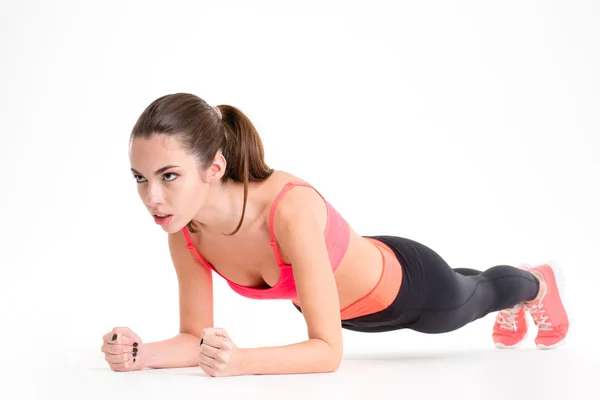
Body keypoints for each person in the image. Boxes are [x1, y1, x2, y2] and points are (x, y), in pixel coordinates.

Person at [100, 93, 570, 377]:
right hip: (353, 300)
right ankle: (516, 293)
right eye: (140, 178)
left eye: (168, 176)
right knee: (473, 280)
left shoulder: (289, 210)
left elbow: (327, 353)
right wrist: (141, 354)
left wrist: (240, 362)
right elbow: (192, 337)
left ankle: (537, 284)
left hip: (410, 289)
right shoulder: (186, 234)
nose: (152, 197)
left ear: (214, 167)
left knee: (478, 295)